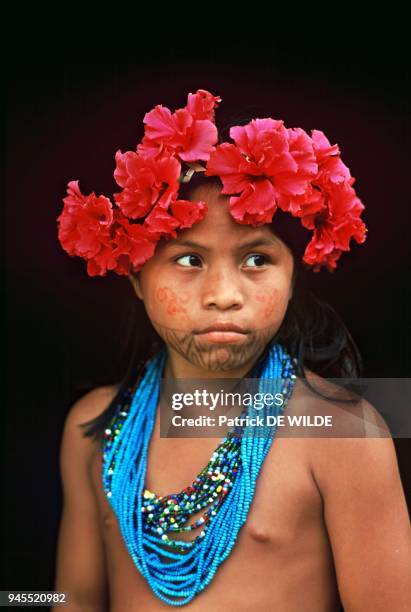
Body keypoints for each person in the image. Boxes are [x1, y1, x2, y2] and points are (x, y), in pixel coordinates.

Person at [52, 90, 411, 610]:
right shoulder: (91, 430)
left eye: (257, 259)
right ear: (133, 273)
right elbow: (71, 597)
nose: (224, 294)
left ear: (295, 276)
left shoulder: (345, 437)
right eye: (189, 260)